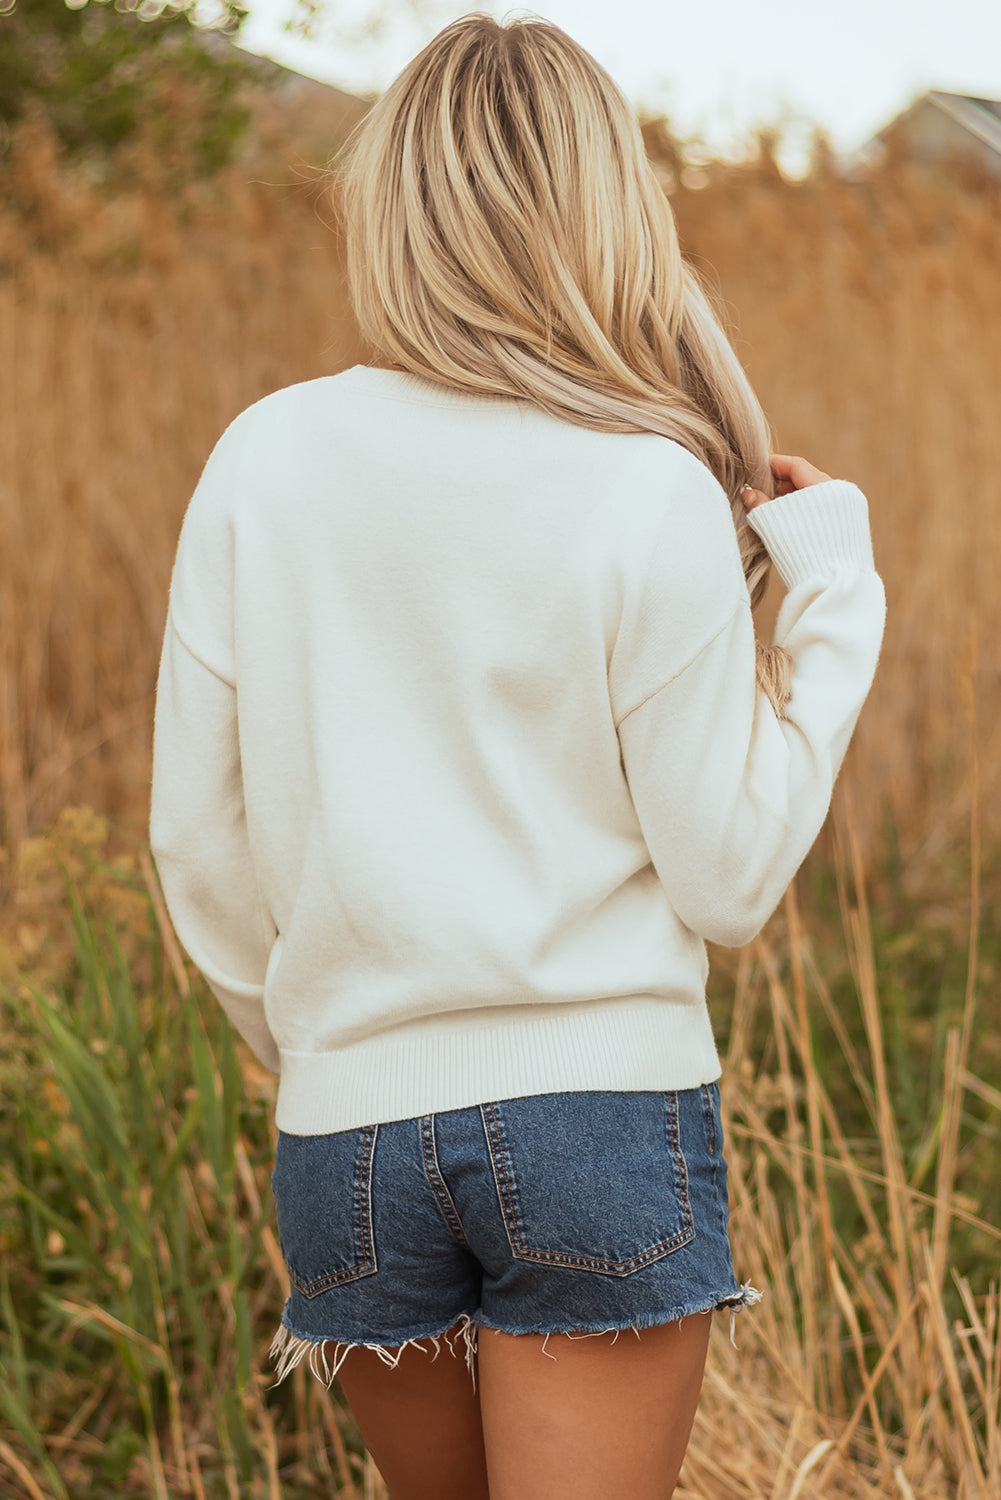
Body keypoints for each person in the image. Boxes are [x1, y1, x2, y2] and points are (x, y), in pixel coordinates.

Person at [149, 13, 886, 1499]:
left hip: (345, 1137)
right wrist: (833, 598)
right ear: (608, 206)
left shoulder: (261, 458)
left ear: (393, 205)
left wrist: (328, 1053)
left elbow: (196, 842)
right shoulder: (647, 488)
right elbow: (730, 879)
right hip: (596, 1123)